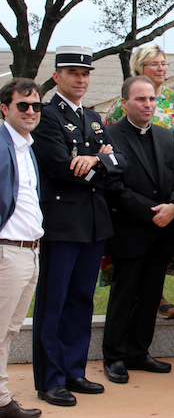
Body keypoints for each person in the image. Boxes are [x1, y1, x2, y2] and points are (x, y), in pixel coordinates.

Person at [31, 46, 126, 407]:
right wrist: (99, 163)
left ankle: (74, 370)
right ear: (57, 77)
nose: (81, 80)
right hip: (62, 222)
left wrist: (95, 161)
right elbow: (59, 165)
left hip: (93, 223)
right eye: (73, 73)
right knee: (54, 301)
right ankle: (50, 379)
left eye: (85, 74)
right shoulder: (47, 116)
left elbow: (120, 162)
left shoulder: (93, 116)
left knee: (81, 300)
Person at [102, 76, 174, 384]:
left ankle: (138, 353)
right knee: (124, 296)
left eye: (151, 99)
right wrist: (153, 213)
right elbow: (113, 187)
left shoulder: (167, 137)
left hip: (162, 230)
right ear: (125, 103)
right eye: (140, 99)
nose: (148, 105)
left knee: (152, 295)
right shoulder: (111, 136)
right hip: (131, 231)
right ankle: (114, 357)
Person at [104, 43, 174, 317]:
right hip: (134, 204)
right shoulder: (122, 105)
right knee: (129, 282)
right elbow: (111, 158)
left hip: (171, 193)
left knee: (160, 261)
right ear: (139, 67)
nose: (161, 68)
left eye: (164, 63)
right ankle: (118, 353)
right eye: (154, 63)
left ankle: (154, 309)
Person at [0, 78, 44, 418]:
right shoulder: (2, 144)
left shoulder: (26, 146)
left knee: (8, 331)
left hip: (29, 250)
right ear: (4, 108)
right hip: (6, 251)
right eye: (23, 106)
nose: (31, 112)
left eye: (36, 106)